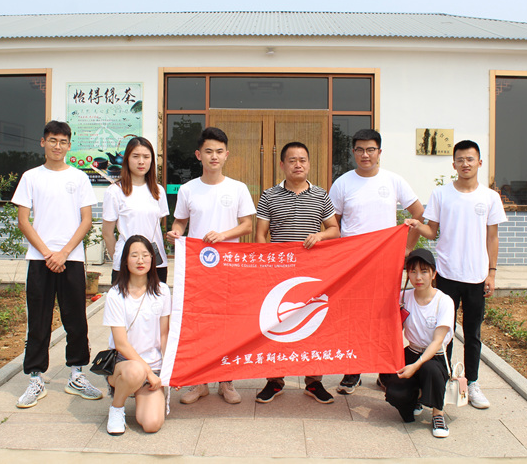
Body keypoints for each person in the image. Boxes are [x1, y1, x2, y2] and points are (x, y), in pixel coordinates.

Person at [405, 139, 507, 409]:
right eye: (460, 160)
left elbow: (493, 238)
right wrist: (416, 224)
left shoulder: (490, 197)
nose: (465, 164)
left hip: (476, 277)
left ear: (479, 163)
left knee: (473, 334)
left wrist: (491, 273)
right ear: (453, 164)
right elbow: (432, 232)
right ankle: (442, 381)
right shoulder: (441, 194)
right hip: (447, 276)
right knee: (444, 333)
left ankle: (472, 383)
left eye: (470, 159)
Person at [11, 120, 102, 408]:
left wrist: (63, 253)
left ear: (69, 145)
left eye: (63, 141)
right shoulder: (31, 177)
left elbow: (86, 220)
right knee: (38, 320)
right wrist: (48, 254)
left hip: (71, 259)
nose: (57, 146)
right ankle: (35, 378)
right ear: (43, 142)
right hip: (40, 260)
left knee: (76, 319)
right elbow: (23, 220)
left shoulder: (79, 178)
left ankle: (76, 375)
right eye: (52, 140)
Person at [328, 128, 425, 395]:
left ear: (379, 152)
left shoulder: (393, 181)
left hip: (386, 262)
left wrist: (407, 247)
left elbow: (418, 213)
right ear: (353, 152)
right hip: (353, 264)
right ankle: (353, 371)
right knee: (353, 316)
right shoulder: (343, 183)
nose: (365, 155)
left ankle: (385, 371)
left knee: (386, 317)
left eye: (370, 149)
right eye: (360, 149)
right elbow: (333, 223)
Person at [167, 126, 256, 404]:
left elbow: (247, 225)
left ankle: (226, 381)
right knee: (199, 324)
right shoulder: (188, 189)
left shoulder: (238, 188)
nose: (214, 156)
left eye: (219, 151)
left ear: (227, 155)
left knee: (227, 325)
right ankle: (200, 382)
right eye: (208, 151)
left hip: (229, 268)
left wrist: (223, 235)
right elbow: (180, 221)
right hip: (198, 269)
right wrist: (176, 232)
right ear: (199, 155)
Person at [254, 141, 340, 405]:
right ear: (282, 164)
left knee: (314, 324)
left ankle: (314, 382)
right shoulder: (269, 195)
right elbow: (260, 234)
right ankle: (274, 380)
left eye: (302, 160)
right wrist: (266, 267)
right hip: (279, 272)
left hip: (313, 273)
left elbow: (334, 230)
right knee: (276, 324)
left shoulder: (321, 195)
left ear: (309, 164)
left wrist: (320, 235)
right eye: (292, 160)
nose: (298, 165)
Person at [103, 234, 171, 435]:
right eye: (134, 255)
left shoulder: (162, 291)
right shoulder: (116, 294)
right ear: (125, 260)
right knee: (136, 371)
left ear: (152, 259)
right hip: (125, 365)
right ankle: (117, 408)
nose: (140, 260)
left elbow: (164, 335)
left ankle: (139, 391)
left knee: (151, 424)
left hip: (154, 366)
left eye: (145, 255)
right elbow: (121, 344)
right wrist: (147, 372)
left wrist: (169, 370)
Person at [384, 248, 454, 438]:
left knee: (430, 370)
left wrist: (416, 365)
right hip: (412, 352)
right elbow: (394, 329)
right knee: (395, 394)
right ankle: (415, 397)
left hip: (435, 356)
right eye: (413, 271)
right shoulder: (404, 297)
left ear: (434, 273)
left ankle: (438, 414)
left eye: (424, 271)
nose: (418, 277)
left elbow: (438, 341)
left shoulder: (444, 301)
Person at [102, 136, 170, 285]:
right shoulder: (115, 191)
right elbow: (107, 233)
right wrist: (120, 258)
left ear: (152, 160)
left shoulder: (158, 191)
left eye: (146, 157)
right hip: (126, 264)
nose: (141, 161)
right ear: (127, 159)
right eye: (136, 156)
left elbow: (155, 225)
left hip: (155, 261)